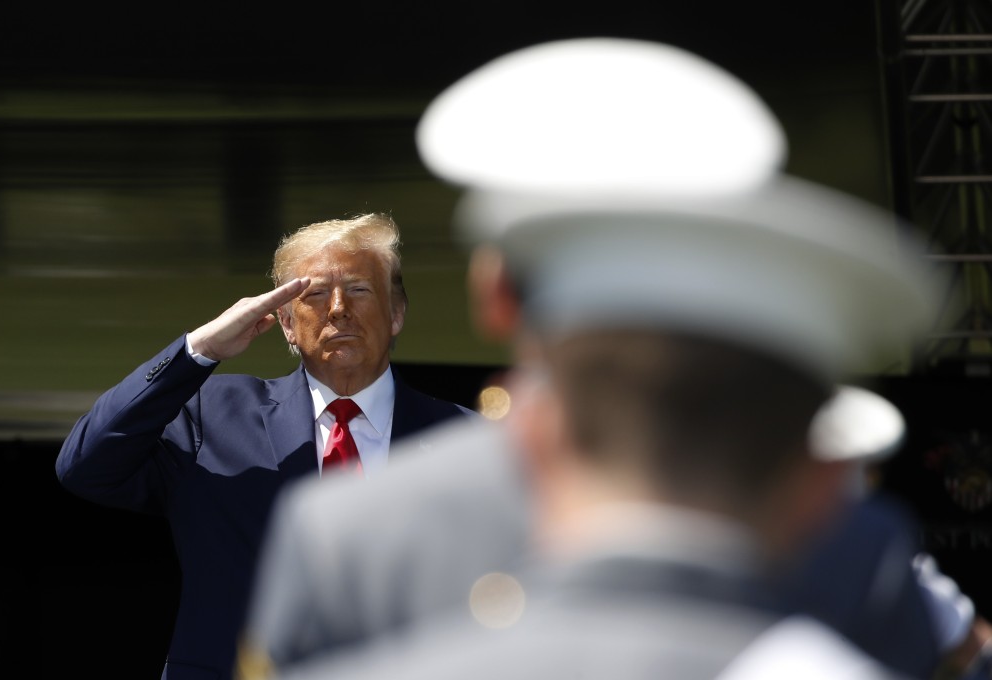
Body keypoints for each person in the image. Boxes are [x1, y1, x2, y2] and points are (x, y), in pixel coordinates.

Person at [237, 38, 946, 680]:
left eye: (358, 291)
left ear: (495, 296)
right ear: (818, 479)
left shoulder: (347, 531)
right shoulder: (862, 545)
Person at [55, 212, 475, 679]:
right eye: (313, 293)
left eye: (358, 289)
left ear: (396, 313)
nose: (338, 308)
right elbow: (85, 466)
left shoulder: (466, 440)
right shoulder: (212, 414)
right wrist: (199, 351)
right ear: (288, 325)